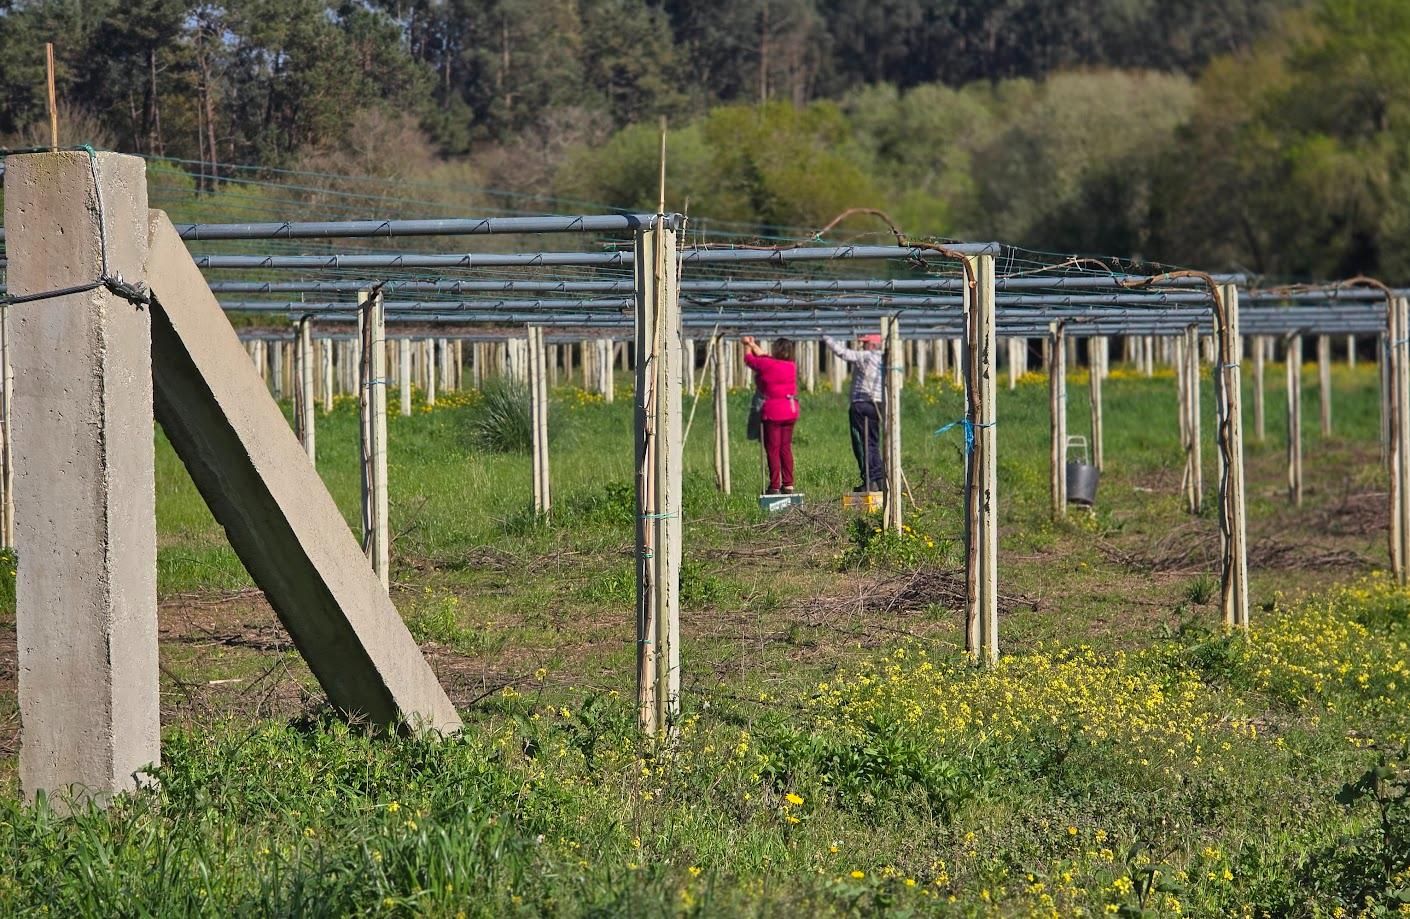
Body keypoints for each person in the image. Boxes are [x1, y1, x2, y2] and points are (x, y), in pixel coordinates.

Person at [823, 332, 885, 491]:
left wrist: (826, 337)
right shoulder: (883, 359)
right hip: (877, 403)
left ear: (871, 345)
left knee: (864, 442)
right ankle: (879, 479)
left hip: (862, 403)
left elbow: (843, 353)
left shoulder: (868, 356)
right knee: (872, 442)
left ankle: (871, 479)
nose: (862, 346)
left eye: (865, 343)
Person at [742, 336, 800, 494]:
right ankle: (788, 484)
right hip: (790, 410)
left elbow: (749, 360)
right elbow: (764, 356)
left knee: (773, 448)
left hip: (774, 412)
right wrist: (754, 344)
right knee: (785, 448)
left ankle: (774, 485)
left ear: (775, 349)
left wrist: (747, 345)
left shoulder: (767, 364)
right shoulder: (791, 366)